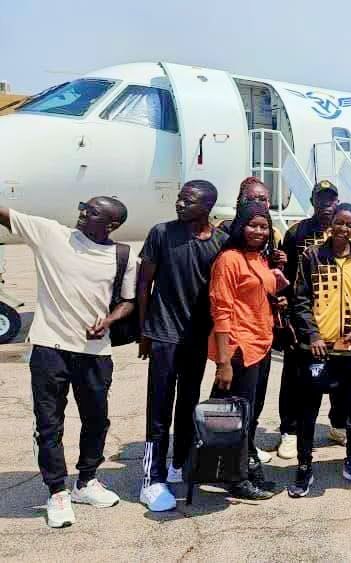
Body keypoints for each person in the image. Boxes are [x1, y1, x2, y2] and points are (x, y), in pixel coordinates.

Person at [1, 198, 135, 528]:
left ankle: (86, 482)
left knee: (96, 420)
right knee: (49, 423)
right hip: (50, 349)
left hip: (95, 353)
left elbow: (130, 301)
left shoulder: (123, 256)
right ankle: (57, 491)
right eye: (83, 206)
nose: (81, 213)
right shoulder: (51, 234)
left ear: (111, 225)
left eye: (91, 211)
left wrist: (108, 320)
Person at [137, 180, 227, 512]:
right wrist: (145, 330)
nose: (179, 204)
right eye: (179, 198)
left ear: (207, 206)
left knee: (188, 403)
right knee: (158, 408)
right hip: (163, 334)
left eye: (187, 200)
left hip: (196, 338)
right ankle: (151, 478)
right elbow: (145, 281)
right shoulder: (161, 233)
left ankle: (180, 463)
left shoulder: (220, 242)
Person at [289, 203, 351, 496]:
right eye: (339, 222)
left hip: (350, 351)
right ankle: (304, 467)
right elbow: (299, 301)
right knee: (308, 411)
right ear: (332, 224)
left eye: (349, 224)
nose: (343, 228)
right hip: (316, 349)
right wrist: (312, 335)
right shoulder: (312, 255)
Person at [206, 201, 283, 501]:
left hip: (260, 346)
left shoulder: (259, 258)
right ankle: (235, 479)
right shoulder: (229, 260)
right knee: (236, 419)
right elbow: (221, 310)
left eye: (264, 226)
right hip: (238, 349)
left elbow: (262, 293)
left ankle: (248, 471)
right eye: (253, 225)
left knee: (247, 416)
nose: (259, 231)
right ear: (240, 226)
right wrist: (223, 362)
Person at [275, 181, 349, 460]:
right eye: (321, 200)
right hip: (304, 318)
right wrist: (289, 316)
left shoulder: (347, 231)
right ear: (313, 201)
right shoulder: (297, 233)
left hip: (337, 320)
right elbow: (285, 277)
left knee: (340, 377)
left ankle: (338, 426)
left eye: (331, 200)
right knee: (295, 379)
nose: (326, 205)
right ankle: (289, 432)